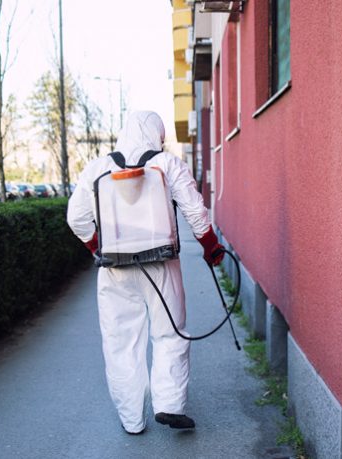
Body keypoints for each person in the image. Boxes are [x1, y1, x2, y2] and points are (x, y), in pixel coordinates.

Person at [67, 111, 224, 435]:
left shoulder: (98, 168)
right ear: (156, 135)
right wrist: (211, 247)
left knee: (121, 341)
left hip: (115, 270)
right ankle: (169, 404)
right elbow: (195, 210)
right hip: (162, 264)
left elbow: (76, 218)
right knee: (170, 334)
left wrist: (98, 247)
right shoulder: (167, 164)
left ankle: (132, 420)